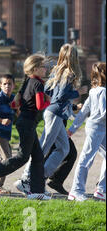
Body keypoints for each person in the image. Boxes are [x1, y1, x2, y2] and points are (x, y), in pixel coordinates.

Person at [0, 54, 51, 200]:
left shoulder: (27, 81)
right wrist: (49, 101)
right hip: (27, 123)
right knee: (22, 157)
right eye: (44, 67)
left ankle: (37, 192)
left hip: (25, 122)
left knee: (38, 157)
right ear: (36, 68)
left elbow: (14, 104)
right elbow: (39, 106)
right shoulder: (38, 83)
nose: (46, 70)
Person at [18, 44, 87, 193]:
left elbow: (48, 90)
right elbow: (61, 96)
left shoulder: (57, 71)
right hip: (55, 113)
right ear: (74, 57)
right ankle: (26, 179)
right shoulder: (68, 73)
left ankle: (39, 178)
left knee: (63, 148)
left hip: (54, 113)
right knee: (43, 147)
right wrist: (78, 92)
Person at [67, 62, 106, 202]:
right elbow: (104, 113)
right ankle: (76, 191)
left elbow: (83, 111)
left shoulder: (94, 91)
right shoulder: (102, 91)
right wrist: (71, 129)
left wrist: (72, 129)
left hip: (97, 127)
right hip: (97, 129)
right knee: (86, 159)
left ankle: (102, 190)